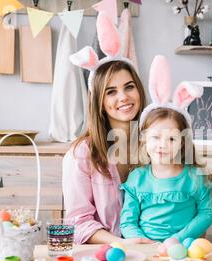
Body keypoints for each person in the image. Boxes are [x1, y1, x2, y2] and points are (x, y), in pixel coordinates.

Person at [62, 13, 154, 245]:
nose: (123, 97)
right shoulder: (81, 154)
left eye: (129, 87)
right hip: (104, 258)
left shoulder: (157, 142)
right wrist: (121, 243)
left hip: (157, 251)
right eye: (111, 92)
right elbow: (78, 223)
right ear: (99, 102)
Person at [119, 55, 212, 242]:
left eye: (171, 138)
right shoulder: (137, 179)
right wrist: (140, 241)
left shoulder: (195, 176)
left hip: (183, 248)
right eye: (155, 137)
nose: (162, 145)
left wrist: (178, 239)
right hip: (144, 250)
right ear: (144, 139)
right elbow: (127, 222)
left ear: (182, 142)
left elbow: (207, 213)